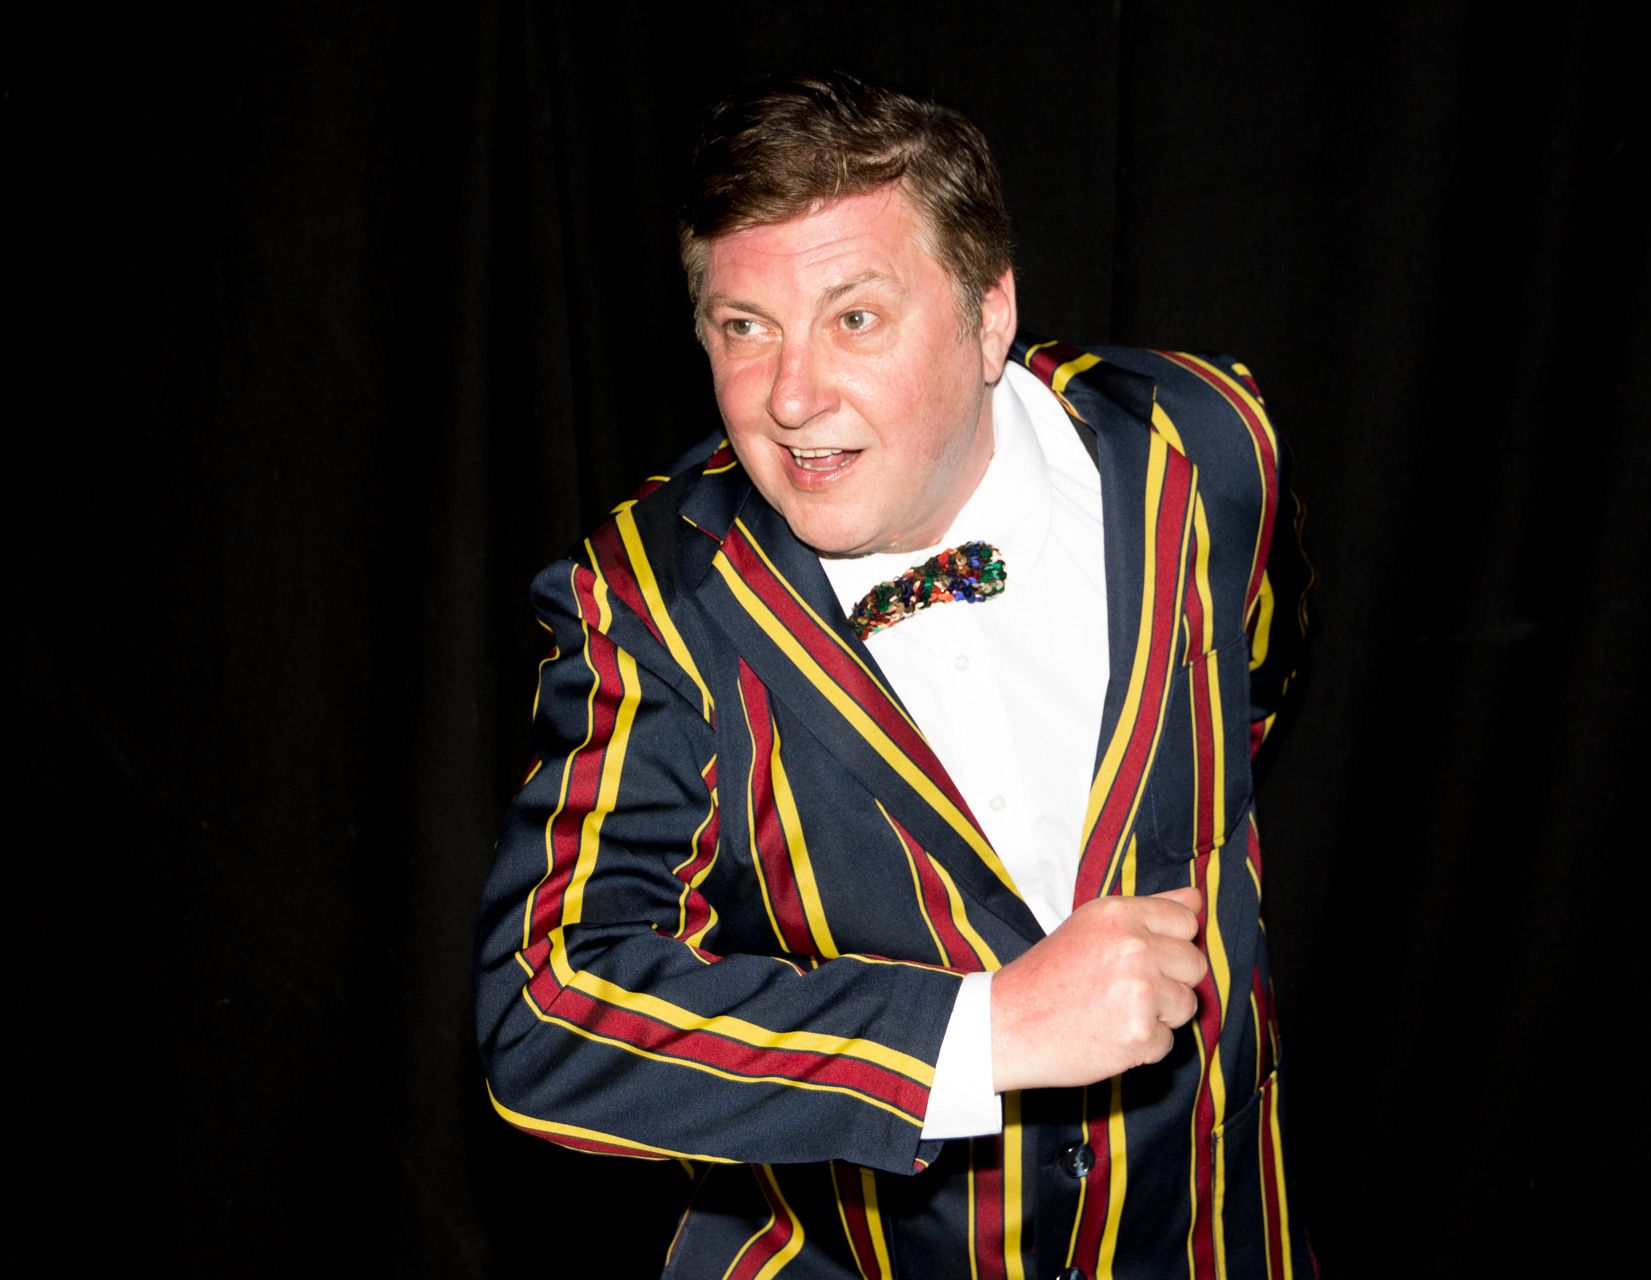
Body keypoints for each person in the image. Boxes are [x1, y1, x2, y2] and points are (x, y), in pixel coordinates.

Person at [474, 70, 1314, 1278]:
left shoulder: (1204, 437)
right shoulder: (653, 597)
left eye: (854, 316)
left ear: (989, 313)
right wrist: (980, 1034)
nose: (791, 395)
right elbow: (547, 1012)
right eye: (744, 326)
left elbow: (1260, 674)